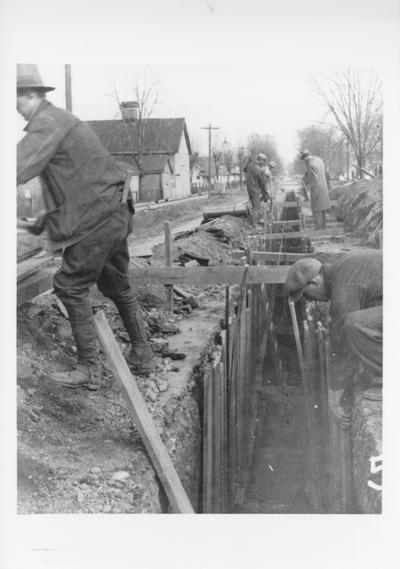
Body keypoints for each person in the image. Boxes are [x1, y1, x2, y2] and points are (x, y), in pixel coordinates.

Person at [17, 64, 155, 390]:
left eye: (18, 99)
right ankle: (142, 353)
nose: (16, 108)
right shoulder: (63, 122)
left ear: (33, 95)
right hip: (114, 213)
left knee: (70, 286)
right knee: (116, 283)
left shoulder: (47, 122)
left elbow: (16, 166)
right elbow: (78, 181)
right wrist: (44, 221)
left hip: (97, 219)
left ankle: (89, 368)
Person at [285, 250, 382, 428]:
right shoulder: (342, 268)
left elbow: (342, 336)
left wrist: (335, 393)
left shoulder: (344, 282)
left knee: (355, 323)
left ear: (314, 282)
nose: (313, 301)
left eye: (307, 295)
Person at [299, 150, 330, 229]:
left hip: (317, 189)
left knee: (317, 209)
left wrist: (314, 191)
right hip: (324, 188)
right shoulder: (318, 160)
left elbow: (315, 179)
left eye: (303, 160)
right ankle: (323, 227)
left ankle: (318, 228)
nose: (304, 162)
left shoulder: (310, 164)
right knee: (322, 209)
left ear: (305, 158)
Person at [244, 153, 270, 226]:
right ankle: (254, 224)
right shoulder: (258, 169)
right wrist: (265, 191)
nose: (264, 163)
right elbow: (262, 182)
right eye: (264, 161)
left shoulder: (250, 165)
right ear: (260, 160)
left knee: (255, 205)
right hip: (254, 189)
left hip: (250, 189)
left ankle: (256, 219)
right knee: (256, 207)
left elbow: (245, 169)